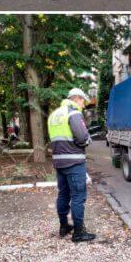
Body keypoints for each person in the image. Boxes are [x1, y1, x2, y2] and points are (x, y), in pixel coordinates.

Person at [48, 88, 94, 243]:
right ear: (76, 98)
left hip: (59, 162)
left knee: (63, 194)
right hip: (74, 162)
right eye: (82, 101)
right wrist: (88, 140)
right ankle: (79, 233)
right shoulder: (73, 113)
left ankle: (64, 227)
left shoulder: (54, 115)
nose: (83, 104)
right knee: (78, 196)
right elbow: (82, 137)